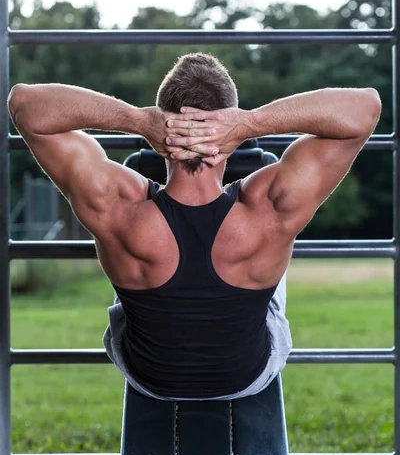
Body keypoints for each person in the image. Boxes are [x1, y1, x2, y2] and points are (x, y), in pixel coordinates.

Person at [7, 53, 381, 401]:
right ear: (229, 136)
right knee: (277, 235)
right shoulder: (269, 206)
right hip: (246, 374)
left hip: (149, 375)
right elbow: (365, 107)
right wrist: (250, 124)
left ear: (160, 135)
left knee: (124, 248)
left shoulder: (116, 203)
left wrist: (137, 120)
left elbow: (24, 103)